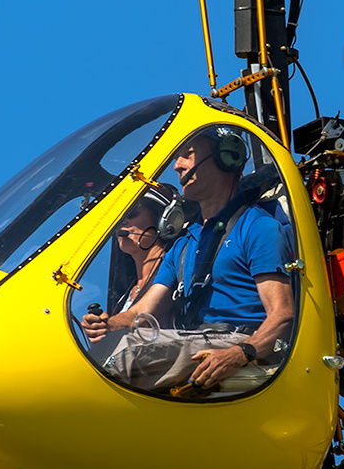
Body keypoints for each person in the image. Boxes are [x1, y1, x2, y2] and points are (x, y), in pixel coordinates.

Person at [83, 129, 294, 391]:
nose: (177, 166)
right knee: (96, 351)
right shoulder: (185, 244)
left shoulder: (258, 228)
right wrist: (107, 324)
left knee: (124, 356)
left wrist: (240, 354)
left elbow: (283, 316)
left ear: (225, 157)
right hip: (197, 339)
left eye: (187, 155)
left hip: (240, 341)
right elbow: (141, 312)